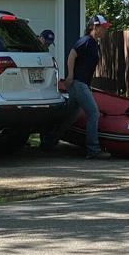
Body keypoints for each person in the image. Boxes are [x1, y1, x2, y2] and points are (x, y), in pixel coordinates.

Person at [42, 15, 113, 159]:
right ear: (95, 27)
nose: (105, 30)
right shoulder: (85, 41)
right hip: (78, 83)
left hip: (81, 83)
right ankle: (93, 150)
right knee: (94, 113)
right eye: (103, 27)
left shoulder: (94, 43)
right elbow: (72, 55)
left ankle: (49, 140)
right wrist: (70, 76)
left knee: (70, 116)